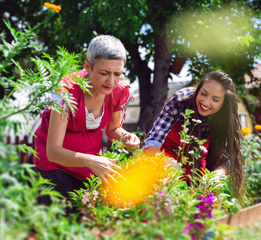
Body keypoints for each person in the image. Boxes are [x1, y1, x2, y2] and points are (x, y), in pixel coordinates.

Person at [33, 35, 140, 206]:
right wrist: (89, 160)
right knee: (61, 219)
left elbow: (113, 129)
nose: (111, 81)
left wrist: (126, 136)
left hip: (89, 168)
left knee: (86, 221)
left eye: (117, 74)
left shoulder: (118, 92)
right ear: (88, 67)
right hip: (54, 166)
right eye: (104, 73)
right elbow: (53, 151)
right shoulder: (65, 90)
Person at [143, 70, 245, 200]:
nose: (206, 103)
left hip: (196, 168)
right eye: (203, 94)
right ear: (199, 89)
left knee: (195, 207)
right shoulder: (181, 101)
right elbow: (153, 141)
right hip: (163, 161)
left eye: (215, 99)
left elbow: (226, 157)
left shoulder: (224, 117)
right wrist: (165, 164)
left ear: (224, 103)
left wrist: (215, 177)